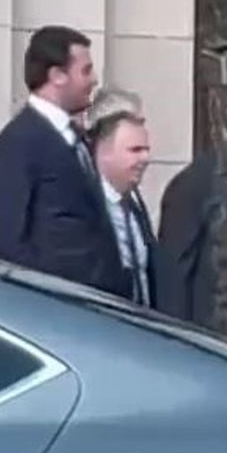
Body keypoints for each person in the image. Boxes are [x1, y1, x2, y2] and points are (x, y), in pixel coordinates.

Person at [0, 25, 133, 297]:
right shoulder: (19, 143)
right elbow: (11, 245)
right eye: (85, 71)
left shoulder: (74, 139)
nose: (94, 80)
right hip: (56, 306)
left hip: (94, 304)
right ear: (57, 75)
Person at [88, 108, 159, 307]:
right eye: (135, 150)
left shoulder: (134, 207)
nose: (145, 158)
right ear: (104, 153)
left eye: (146, 150)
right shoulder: (87, 206)